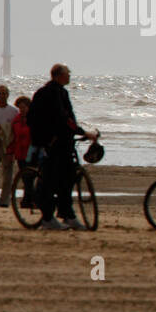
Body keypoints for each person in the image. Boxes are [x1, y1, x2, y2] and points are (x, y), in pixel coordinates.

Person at [29, 64, 98, 230]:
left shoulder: (61, 92)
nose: (70, 76)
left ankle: (68, 215)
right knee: (51, 181)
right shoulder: (49, 92)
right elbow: (61, 118)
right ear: (59, 75)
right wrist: (83, 132)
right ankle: (47, 219)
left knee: (67, 180)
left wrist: (79, 132)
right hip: (52, 144)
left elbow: (69, 118)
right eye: (68, 73)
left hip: (64, 142)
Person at [10, 97, 35, 208]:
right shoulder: (16, 119)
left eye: (23, 107)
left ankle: (28, 200)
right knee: (25, 178)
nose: (22, 110)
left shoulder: (34, 119)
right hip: (20, 153)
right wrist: (10, 151)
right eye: (20, 108)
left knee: (30, 177)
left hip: (31, 152)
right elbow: (13, 136)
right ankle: (28, 200)